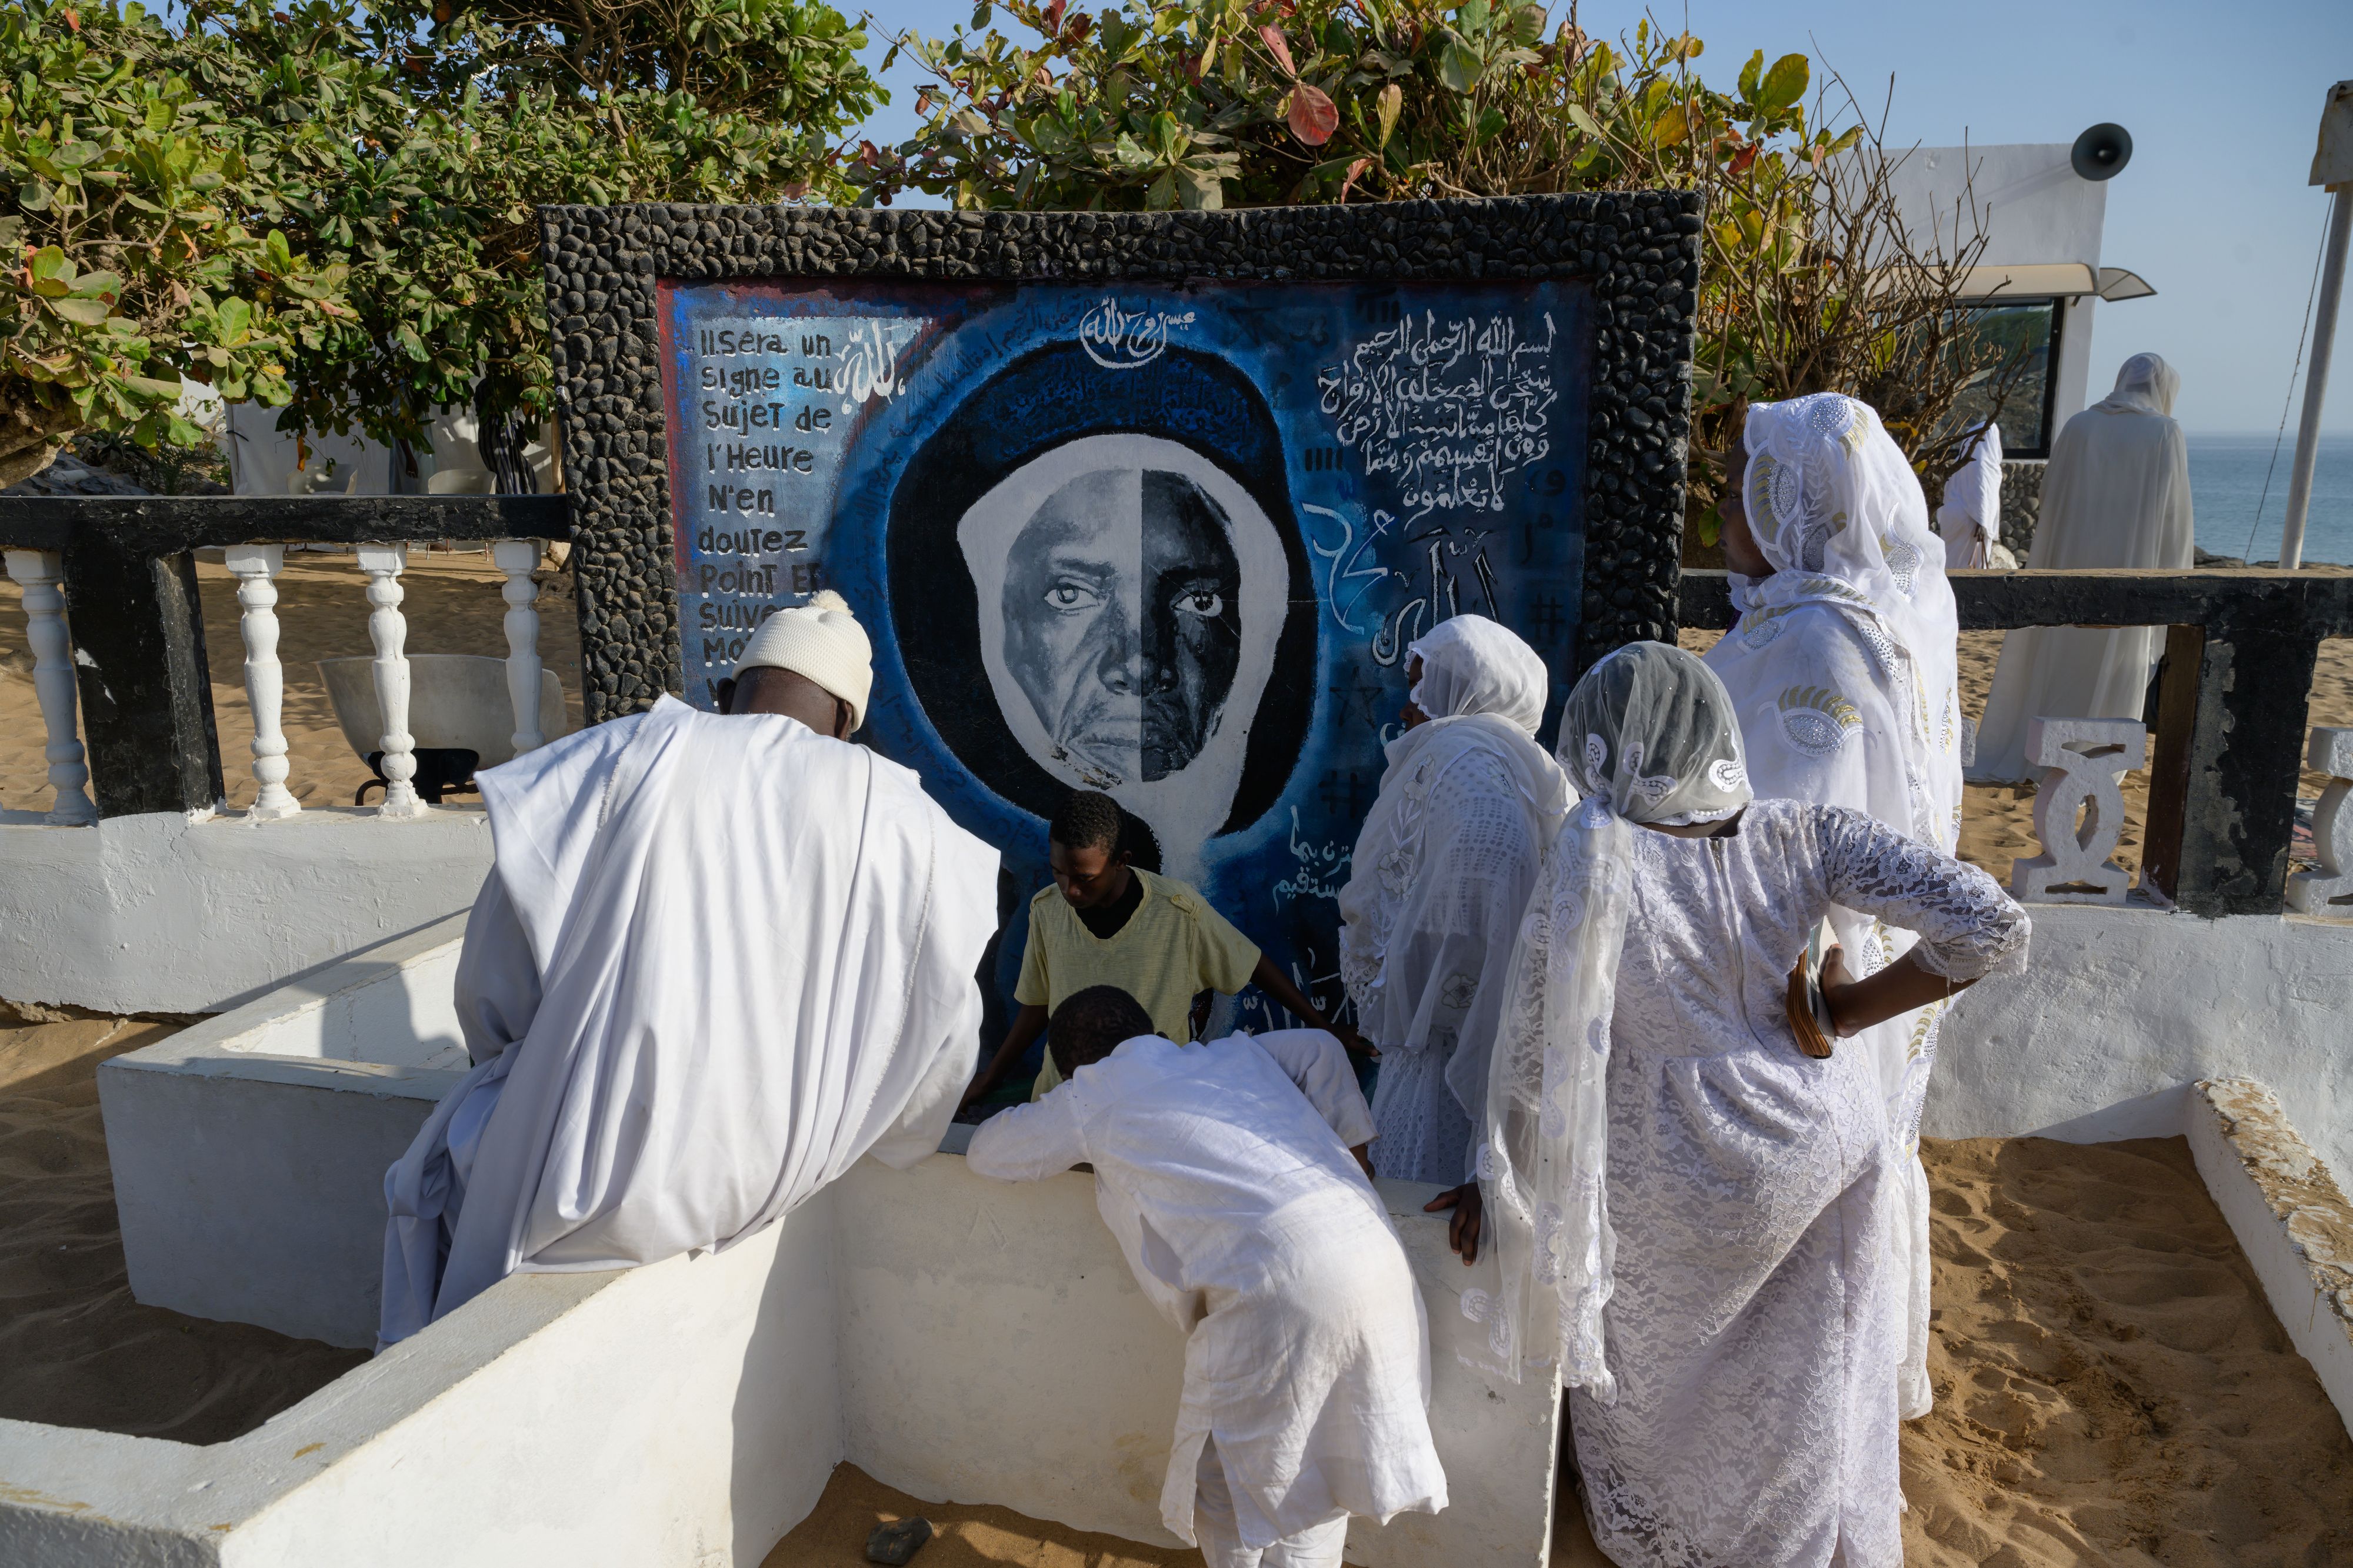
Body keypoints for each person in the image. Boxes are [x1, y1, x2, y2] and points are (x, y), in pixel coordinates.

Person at [1429, 643, 2029, 1567]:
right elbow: (1992, 922)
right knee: (1812, 1358)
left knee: (1658, 1377)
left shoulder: (1596, 852)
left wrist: (1490, 1169)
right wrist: (1849, 1007)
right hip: (1820, 1139)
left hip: (1675, 1162)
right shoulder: (1805, 831)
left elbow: (1540, 1039)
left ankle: (1689, 1536)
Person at [378, 591, 999, 1348]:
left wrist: (527, 1068)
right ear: (846, 721)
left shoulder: (626, 754)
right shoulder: (912, 826)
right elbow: (939, 1047)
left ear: (727, 693)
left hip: (572, 1179)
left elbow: (495, 977)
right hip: (755, 1184)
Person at [966, 986, 1448, 1568]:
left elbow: (987, 1150)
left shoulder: (1089, 1095)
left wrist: (1074, 1111)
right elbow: (1321, 1049)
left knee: (1229, 1489)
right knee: (1317, 1480)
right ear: (1155, 1033)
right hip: (1373, 1256)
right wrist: (1354, 1153)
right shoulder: (1235, 1053)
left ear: (1073, 1069)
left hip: (1277, 1294)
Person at [1701, 391, 1964, 1420]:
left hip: (1799, 981)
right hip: (1829, 972)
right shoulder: (1842, 619)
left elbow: (1792, 837)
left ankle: (1795, 1411)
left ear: (1797, 504)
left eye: (1745, 490)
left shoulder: (1816, 644)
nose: (1727, 510)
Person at [1337, 615, 1571, 1184]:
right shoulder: (1527, 770)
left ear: (1465, 691)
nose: (1406, 709)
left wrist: (1435, 985)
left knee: (1423, 1208)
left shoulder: (1460, 758)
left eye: (1421, 688)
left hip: (1441, 1052)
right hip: (1505, 1048)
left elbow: (1491, 865)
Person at [963, 790, 1362, 1107]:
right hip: (1064, 1104)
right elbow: (1037, 1007)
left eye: (1085, 878)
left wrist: (1325, 1028)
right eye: (1059, 872)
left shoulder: (1178, 912)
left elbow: (1250, 964)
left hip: (1154, 1106)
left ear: (1121, 861)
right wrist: (989, 1079)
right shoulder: (1047, 910)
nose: (1070, 889)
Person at [1971, 353, 2195, 783]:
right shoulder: (2165, 432)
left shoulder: (2079, 426)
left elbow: (2051, 499)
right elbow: (2175, 522)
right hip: (2131, 573)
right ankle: (2093, 757)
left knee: (2059, 654)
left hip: (2070, 562)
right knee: (2116, 659)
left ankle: (2040, 747)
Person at [1935, 420, 2008, 570]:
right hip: (1971, 519)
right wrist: (1983, 522)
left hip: (1953, 514)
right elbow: (1981, 495)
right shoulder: (1984, 464)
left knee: (1951, 560)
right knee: (1968, 568)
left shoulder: (1961, 461)